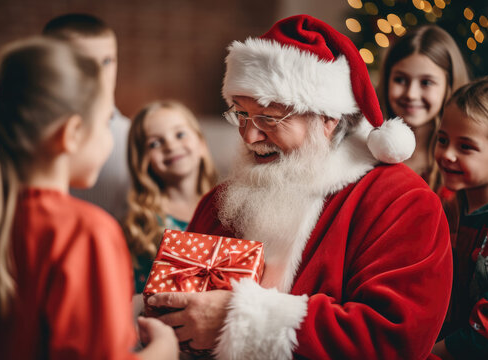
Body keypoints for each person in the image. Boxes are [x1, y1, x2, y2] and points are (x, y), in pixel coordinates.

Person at [145, 15, 453, 359]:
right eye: (241, 114)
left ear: (328, 119)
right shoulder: (222, 201)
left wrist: (240, 321)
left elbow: (393, 338)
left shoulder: (402, 202)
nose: (250, 135)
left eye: (269, 118)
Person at [0, 37, 178, 359]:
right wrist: (163, 351)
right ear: (70, 134)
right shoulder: (86, 232)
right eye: (104, 124)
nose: (110, 139)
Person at [43, 13, 131, 222]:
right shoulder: (28, 136)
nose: (100, 74)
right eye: (85, 63)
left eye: (107, 61)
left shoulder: (136, 136)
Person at [125, 100, 217, 294]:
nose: (170, 145)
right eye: (155, 143)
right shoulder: (144, 225)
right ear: (143, 160)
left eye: (180, 134)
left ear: (201, 144)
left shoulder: (225, 208)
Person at [431, 77, 488, 359]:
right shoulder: (445, 203)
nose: (447, 154)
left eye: (465, 147)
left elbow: (483, 334)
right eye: (442, 140)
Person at [378, 25, 470, 190]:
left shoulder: (457, 164)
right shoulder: (369, 149)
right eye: (400, 79)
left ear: (449, 86)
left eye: (426, 82)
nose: (411, 94)